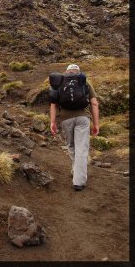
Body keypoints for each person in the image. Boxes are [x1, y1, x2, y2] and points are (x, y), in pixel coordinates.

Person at [49, 63, 99, 191]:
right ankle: (79, 181)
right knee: (82, 148)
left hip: (66, 119)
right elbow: (94, 104)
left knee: (71, 146)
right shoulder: (84, 82)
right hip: (83, 118)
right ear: (78, 71)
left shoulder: (59, 83)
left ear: (66, 71)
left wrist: (52, 122)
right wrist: (96, 124)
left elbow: (53, 105)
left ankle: (75, 170)